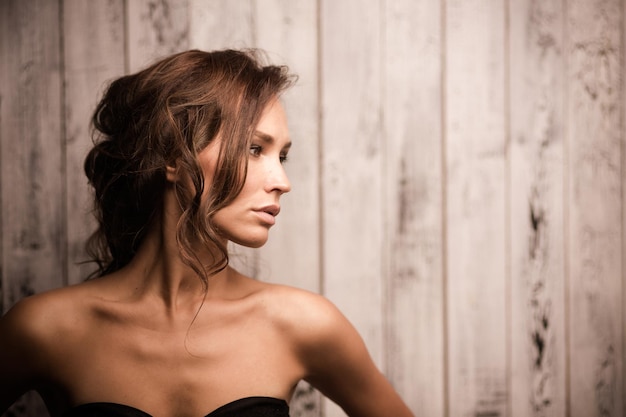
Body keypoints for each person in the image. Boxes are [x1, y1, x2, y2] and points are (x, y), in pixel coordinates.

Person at [0, 49, 413, 417]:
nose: (282, 181)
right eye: (255, 148)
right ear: (172, 158)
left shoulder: (305, 324)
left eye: (282, 156)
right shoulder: (45, 329)